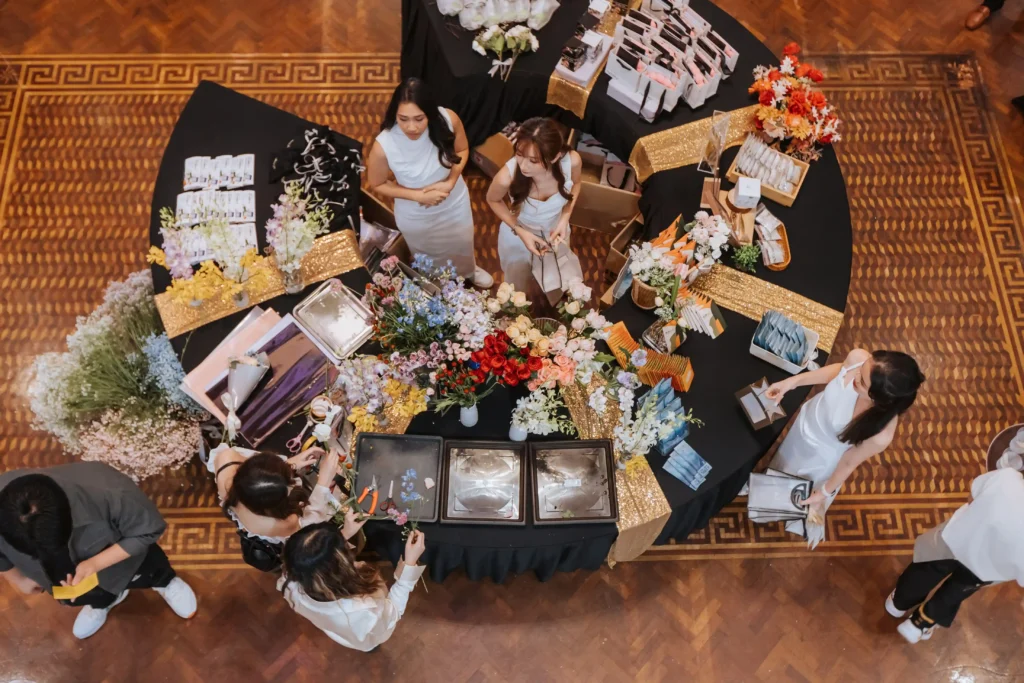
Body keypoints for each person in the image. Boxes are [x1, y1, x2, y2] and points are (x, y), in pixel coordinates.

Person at [0, 463, 197, 639]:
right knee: (93, 595)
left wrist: (95, 564)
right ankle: (102, 602)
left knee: (152, 569)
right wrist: (17, 579)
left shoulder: (111, 490)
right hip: (60, 579)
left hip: (127, 561)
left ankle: (165, 582)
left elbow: (148, 530)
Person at [764, 349, 925, 548]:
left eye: (862, 382)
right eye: (861, 369)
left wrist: (823, 493)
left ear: (880, 400)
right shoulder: (858, 358)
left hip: (819, 458)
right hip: (805, 426)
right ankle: (767, 484)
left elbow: (849, 462)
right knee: (784, 461)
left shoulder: (881, 434)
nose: (856, 376)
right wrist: (792, 382)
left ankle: (776, 502)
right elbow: (837, 372)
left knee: (797, 484)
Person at [367, 77, 493, 288]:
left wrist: (450, 182)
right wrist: (418, 196)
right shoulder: (384, 145)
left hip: (454, 202)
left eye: (419, 119)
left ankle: (468, 271)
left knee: (462, 242)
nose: (411, 127)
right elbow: (378, 183)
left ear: (430, 114)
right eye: (403, 119)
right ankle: (435, 281)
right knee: (427, 253)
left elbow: (462, 149)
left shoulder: (448, 119)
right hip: (416, 214)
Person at [886, 466, 1024, 643]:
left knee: (928, 569)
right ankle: (921, 623)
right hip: (986, 569)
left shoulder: (1007, 477)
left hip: (957, 537)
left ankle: (898, 603)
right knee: (955, 591)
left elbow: (971, 498)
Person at [208, 444, 365, 569]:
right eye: (290, 483)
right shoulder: (281, 524)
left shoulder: (227, 461)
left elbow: (260, 475)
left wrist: (291, 464)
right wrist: (324, 482)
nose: (293, 482)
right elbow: (312, 525)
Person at [278, 522, 426, 652]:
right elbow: (392, 613)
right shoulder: (361, 610)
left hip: (339, 630)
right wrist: (409, 565)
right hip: (365, 633)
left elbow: (316, 561)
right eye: (345, 551)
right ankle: (371, 647)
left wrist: (343, 534)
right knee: (369, 643)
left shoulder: (291, 579)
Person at [486, 117, 583, 301]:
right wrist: (520, 231)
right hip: (518, 235)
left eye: (533, 160)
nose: (523, 166)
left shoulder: (572, 161)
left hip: (555, 232)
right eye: (519, 154)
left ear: (555, 157)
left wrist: (565, 218)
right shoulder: (507, 176)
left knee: (557, 277)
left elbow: (576, 184)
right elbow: (492, 199)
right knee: (517, 285)